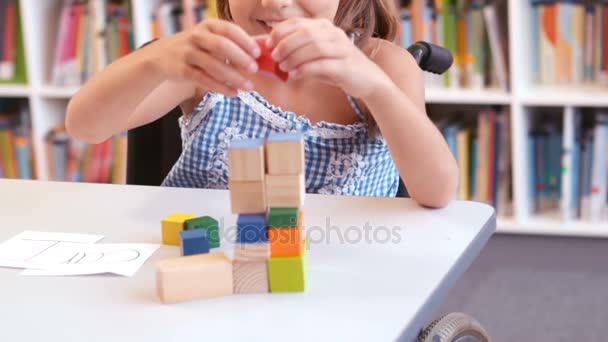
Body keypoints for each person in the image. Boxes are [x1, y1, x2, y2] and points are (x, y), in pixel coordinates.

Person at [65, 0, 458, 208]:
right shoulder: (208, 62)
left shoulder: (383, 63)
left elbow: (438, 192)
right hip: (210, 269)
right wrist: (153, 59)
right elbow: (86, 127)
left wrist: (376, 88)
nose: (275, 2)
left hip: (341, 275)